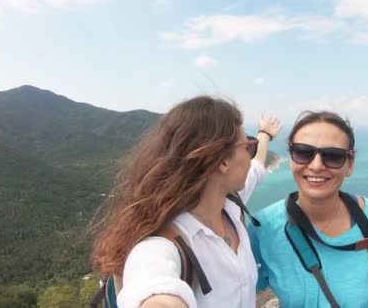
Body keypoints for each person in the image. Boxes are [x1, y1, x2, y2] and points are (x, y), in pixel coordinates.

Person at [91, 95, 281, 308]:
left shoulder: (229, 203)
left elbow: (257, 165)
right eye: (248, 147)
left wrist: (264, 134)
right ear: (223, 162)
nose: (250, 155)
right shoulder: (162, 245)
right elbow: (154, 288)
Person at [248, 111, 368, 307]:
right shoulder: (263, 227)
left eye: (333, 156)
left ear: (349, 165)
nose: (316, 166)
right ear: (292, 157)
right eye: (303, 152)